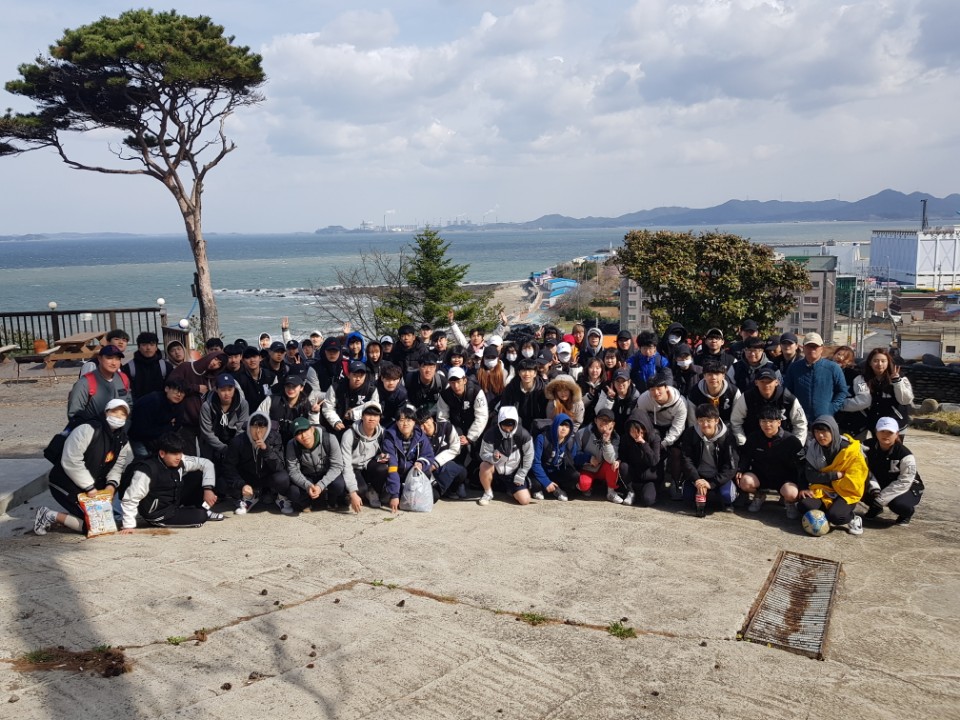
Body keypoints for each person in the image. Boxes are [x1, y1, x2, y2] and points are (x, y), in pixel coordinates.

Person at [35, 399, 133, 535]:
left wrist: (111, 485)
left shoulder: (122, 440)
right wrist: (89, 487)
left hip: (92, 488)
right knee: (93, 526)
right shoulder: (88, 429)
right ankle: (47, 514)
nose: (118, 417)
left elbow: (117, 466)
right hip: (65, 483)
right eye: (114, 412)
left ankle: (76, 514)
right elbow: (71, 460)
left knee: (105, 524)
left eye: (123, 414)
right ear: (106, 412)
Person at [118, 432, 222, 531]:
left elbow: (206, 464)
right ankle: (200, 512)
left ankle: (202, 509)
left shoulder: (179, 460)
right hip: (158, 513)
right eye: (174, 453)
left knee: (197, 474)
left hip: (172, 503)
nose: (178, 457)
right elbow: (130, 498)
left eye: (180, 452)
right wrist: (128, 525)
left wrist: (208, 489)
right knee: (200, 516)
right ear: (162, 453)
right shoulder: (147, 470)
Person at [794, 415, 867, 535]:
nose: (820, 436)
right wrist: (834, 476)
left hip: (845, 492)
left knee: (836, 517)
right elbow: (810, 475)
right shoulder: (813, 446)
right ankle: (826, 514)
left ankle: (852, 518)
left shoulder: (850, 449)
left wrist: (824, 478)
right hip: (824, 489)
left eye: (824, 431)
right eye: (817, 432)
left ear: (833, 430)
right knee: (804, 505)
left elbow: (855, 480)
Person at [735, 406, 804, 515]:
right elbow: (745, 456)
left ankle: (788, 502)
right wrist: (741, 469)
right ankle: (759, 495)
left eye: (771, 421)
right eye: (763, 421)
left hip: (784, 479)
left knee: (791, 493)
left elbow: (801, 465)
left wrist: (803, 486)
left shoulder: (791, 441)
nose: (767, 425)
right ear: (759, 423)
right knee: (745, 482)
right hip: (761, 476)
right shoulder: (753, 437)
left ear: (779, 422)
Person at [223, 412, 296, 514]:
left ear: (267, 428)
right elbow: (229, 467)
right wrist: (242, 485)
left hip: (268, 476)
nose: (258, 431)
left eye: (262, 427)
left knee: (283, 478)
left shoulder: (275, 437)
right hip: (249, 476)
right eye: (254, 427)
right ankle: (249, 497)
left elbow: (279, 466)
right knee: (222, 482)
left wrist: (266, 449)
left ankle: (281, 497)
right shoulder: (238, 441)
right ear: (249, 427)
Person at [286, 416, 356, 512]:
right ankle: (306, 503)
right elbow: (293, 471)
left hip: (326, 472)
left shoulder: (330, 438)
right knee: (293, 491)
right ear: (295, 437)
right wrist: (307, 485)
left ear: (312, 429)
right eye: (298, 433)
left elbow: (337, 466)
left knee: (339, 485)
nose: (303, 436)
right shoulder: (292, 445)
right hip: (307, 475)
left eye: (305, 430)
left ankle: (331, 501)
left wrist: (321, 485)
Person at [862, 417, 924, 525]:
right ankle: (875, 508)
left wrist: (881, 499)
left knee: (897, 503)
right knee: (858, 489)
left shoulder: (905, 455)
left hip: (907, 486)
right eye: (882, 431)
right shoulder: (865, 446)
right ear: (876, 432)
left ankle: (906, 514)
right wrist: (874, 489)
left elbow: (905, 481)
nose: (885, 435)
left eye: (890, 432)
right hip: (881, 482)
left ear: (896, 434)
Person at [679, 403, 738, 517]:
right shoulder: (690, 433)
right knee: (687, 496)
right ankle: (703, 497)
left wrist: (712, 484)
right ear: (697, 420)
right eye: (701, 420)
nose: (705, 424)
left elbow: (731, 465)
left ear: (716, 420)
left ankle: (724, 501)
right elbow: (686, 459)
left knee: (727, 496)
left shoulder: (727, 436)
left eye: (709, 420)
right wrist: (697, 480)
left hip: (718, 476)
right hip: (699, 475)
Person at [842, 348, 914, 435]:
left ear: (888, 362)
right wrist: (839, 404)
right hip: (876, 424)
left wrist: (897, 382)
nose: (879, 364)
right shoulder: (863, 379)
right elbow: (863, 400)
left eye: (883, 361)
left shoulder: (900, 377)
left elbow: (906, 400)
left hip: (897, 423)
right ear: (870, 363)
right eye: (875, 361)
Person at [730, 367, 807, 446]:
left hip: (783, 444)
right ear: (756, 382)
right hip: (753, 444)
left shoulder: (788, 398)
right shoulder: (746, 398)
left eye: (769, 381)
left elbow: (800, 423)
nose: (766, 385)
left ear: (776, 382)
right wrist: (743, 443)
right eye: (762, 381)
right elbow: (736, 421)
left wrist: (796, 446)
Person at [477, 406, 534, 506]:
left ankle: (510, 489)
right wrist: (492, 457)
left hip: (513, 471)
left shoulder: (523, 435)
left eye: (510, 426)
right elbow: (483, 453)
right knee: (484, 466)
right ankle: (487, 493)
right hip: (496, 468)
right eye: (504, 425)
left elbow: (528, 456)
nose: (507, 429)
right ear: (499, 423)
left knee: (525, 500)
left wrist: (521, 474)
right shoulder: (491, 433)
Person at [382, 405, 435, 513]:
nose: (405, 424)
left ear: (414, 422)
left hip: (412, 473)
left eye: (409, 420)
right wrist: (395, 495)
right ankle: (390, 492)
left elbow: (429, 455)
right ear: (396, 422)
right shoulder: (390, 437)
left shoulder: (421, 436)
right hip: (397, 472)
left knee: (433, 493)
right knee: (384, 470)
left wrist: (421, 463)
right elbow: (392, 466)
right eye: (401, 420)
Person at [783, 332, 848, 421]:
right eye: (809, 346)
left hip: (824, 420)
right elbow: (787, 392)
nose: (812, 349)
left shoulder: (833, 368)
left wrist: (831, 408)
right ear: (803, 348)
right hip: (799, 420)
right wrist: (793, 409)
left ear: (821, 348)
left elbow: (842, 391)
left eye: (815, 346)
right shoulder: (794, 368)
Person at [67, 344, 131, 429]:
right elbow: (74, 415)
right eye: (109, 358)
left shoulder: (123, 378)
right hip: (94, 432)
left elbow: (129, 405)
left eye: (117, 359)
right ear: (99, 359)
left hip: (120, 432)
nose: (114, 363)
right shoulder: (85, 383)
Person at [436, 366, 489, 467]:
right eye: (452, 382)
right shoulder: (445, 395)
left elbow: (482, 416)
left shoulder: (476, 392)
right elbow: (442, 418)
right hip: (456, 427)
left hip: (475, 426)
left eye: (458, 381)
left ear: (464, 380)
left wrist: (470, 437)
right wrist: (453, 434)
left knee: (478, 452)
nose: (456, 386)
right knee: (456, 448)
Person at [341, 404, 389, 508]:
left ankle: (373, 490)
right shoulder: (349, 435)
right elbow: (346, 465)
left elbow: (388, 453)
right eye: (368, 414)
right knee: (360, 490)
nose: (372, 418)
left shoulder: (383, 433)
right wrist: (353, 492)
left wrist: (382, 457)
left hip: (368, 465)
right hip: (353, 468)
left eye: (375, 415)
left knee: (383, 468)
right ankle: (350, 494)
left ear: (379, 418)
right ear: (362, 416)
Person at [256, 373, 322, 448]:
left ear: (301, 388)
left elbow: (313, 430)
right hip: (271, 445)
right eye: (288, 386)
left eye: (294, 386)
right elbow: (257, 419)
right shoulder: (272, 400)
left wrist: (314, 413)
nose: (291, 389)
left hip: (296, 446)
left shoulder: (306, 405)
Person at [127, 377, 186, 458]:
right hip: (139, 438)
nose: (179, 394)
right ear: (166, 389)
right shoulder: (152, 401)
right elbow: (140, 429)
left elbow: (177, 426)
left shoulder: (179, 404)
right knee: (144, 461)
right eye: (176, 390)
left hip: (157, 440)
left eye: (182, 392)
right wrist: (168, 426)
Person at [199, 373, 250, 464]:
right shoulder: (206, 406)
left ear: (234, 389)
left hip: (234, 446)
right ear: (216, 390)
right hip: (210, 446)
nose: (227, 393)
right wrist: (224, 448)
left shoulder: (243, 404)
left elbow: (241, 428)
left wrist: (233, 448)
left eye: (230, 389)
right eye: (222, 390)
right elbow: (207, 433)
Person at [417, 406, 467, 499]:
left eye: (427, 422)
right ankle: (438, 490)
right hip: (429, 468)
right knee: (434, 496)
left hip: (446, 463)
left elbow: (455, 449)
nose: (425, 427)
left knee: (461, 472)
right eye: (421, 425)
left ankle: (452, 489)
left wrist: (436, 462)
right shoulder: (418, 436)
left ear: (432, 419)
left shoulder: (447, 427)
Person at [574, 408, 622, 503]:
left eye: (608, 420)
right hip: (587, 467)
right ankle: (587, 487)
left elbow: (611, 459)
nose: (604, 422)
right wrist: (588, 458)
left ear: (612, 424)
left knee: (614, 464)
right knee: (584, 485)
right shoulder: (582, 433)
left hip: (603, 468)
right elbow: (574, 455)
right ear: (595, 420)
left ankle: (611, 492)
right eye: (601, 419)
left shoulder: (615, 437)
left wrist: (607, 442)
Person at [530, 414, 578, 501]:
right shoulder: (542, 438)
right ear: (555, 425)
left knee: (574, 475)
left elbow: (574, 458)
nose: (564, 429)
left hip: (556, 471)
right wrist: (546, 482)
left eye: (567, 426)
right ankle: (544, 488)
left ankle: (558, 489)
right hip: (541, 470)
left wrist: (589, 458)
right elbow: (535, 463)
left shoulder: (570, 442)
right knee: (536, 485)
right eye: (561, 425)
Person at [323, 360, 379, 434]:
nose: (358, 379)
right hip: (338, 425)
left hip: (361, 427)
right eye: (355, 375)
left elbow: (374, 409)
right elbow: (328, 407)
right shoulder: (336, 387)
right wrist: (335, 421)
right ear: (348, 375)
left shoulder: (371, 390)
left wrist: (353, 414)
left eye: (361, 375)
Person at [617, 414, 661, 507]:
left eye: (639, 431)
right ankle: (630, 491)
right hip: (633, 474)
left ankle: (648, 492)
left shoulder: (655, 438)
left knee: (647, 500)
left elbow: (654, 461)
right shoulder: (626, 438)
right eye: (632, 431)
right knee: (623, 466)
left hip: (649, 478)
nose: (636, 435)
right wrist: (618, 460)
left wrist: (644, 444)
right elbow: (623, 455)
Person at [501, 358, 547, 433]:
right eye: (523, 370)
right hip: (516, 426)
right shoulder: (511, 388)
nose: (526, 374)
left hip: (538, 425)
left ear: (535, 373)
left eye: (530, 370)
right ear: (519, 373)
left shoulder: (543, 390)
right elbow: (504, 408)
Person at [687, 361, 740, 425]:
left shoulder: (733, 392)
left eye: (717, 374)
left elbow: (737, 420)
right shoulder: (694, 393)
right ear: (704, 376)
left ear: (723, 376)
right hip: (703, 427)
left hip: (728, 427)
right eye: (709, 374)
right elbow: (693, 422)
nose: (713, 378)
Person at [122, 331, 171, 400]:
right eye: (144, 345)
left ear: (156, 347)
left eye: (152, 344)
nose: (148, 348)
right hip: (138, 405)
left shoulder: (166, 367)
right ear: (139, 347)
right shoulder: (128, 368)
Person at [596, 368, 640, 436]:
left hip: (629, 431)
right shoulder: (606, 391)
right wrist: (610, 399)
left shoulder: (635, 396)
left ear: (629, 382)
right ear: (613, 382)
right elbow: (598, 412)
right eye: (618, 381)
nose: (620, 384)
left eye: (623, 381)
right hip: (610, 429)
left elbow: (636, 419)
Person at [235, 345, 276, 412]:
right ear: (243, 360)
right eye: (248, 357)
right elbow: (241, 403)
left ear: (260, 358)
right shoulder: (238, 380)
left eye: (254, 356)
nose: (252, 360)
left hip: (268, 414)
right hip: (248, 415)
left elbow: (274, 399)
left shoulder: (271, 376)